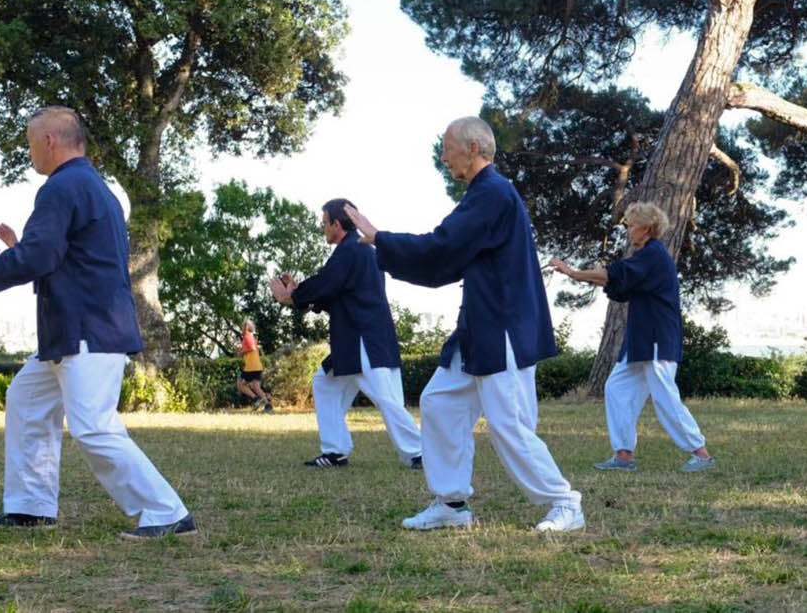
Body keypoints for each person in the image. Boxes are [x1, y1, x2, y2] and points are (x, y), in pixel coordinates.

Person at [0, 106, 194, 539]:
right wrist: (20, 246)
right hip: (76, 329)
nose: (31, 152)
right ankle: (30, 507)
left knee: (93, 427)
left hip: (86, 329)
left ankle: (167, 513)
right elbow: (64, 257)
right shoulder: (95, 188)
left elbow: (40, 257)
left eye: (32, 143)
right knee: (27, 401)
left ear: (50, 141)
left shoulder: (61, 187)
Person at [341, 116, 583, 533]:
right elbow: (447, 261)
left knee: (509, 422)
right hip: (479, 329)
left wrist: (382, 239)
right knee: (440, 402)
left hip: (503, 327)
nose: (442, 155)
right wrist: (386, 245)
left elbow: (442, 247)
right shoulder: (484, 195)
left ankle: (564, 502)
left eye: (448, 146)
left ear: (474, 149)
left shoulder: (493, 193)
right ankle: (452, 504)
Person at [549, 202, 716, 473]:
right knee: (616, 387)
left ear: (646, 228)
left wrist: (572, 272)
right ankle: (624, 456)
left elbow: (612, 275)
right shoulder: (647, 256)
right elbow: (617, 281)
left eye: (631, 225)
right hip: (641, 340)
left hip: (656, 338)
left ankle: (701, 454)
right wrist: (588, 275)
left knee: (664, 397)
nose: (628, 230)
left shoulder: (653, 255)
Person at [269, 199, 422, 470]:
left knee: (387, 399)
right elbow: (334, 291)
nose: (322, 228)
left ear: (336, 224)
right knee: (324, 384)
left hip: (364, 340)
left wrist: (292, 296)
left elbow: (326, 284)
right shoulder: (354, 251)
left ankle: (420, 452)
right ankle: (335, 451)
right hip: (356, 339)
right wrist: (298, 294)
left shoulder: (351, 250)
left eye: (324, 222)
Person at [234, 318, 273, 412]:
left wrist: (242, 352)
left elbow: (251, 348)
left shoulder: (247, 336)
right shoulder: (252, 337)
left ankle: (255, 399)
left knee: (240, 384)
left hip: (251, 367)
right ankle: (267, 405)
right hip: (257, 366)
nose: (242, 327)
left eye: (243, 325)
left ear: (246, 327)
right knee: (256, 386)